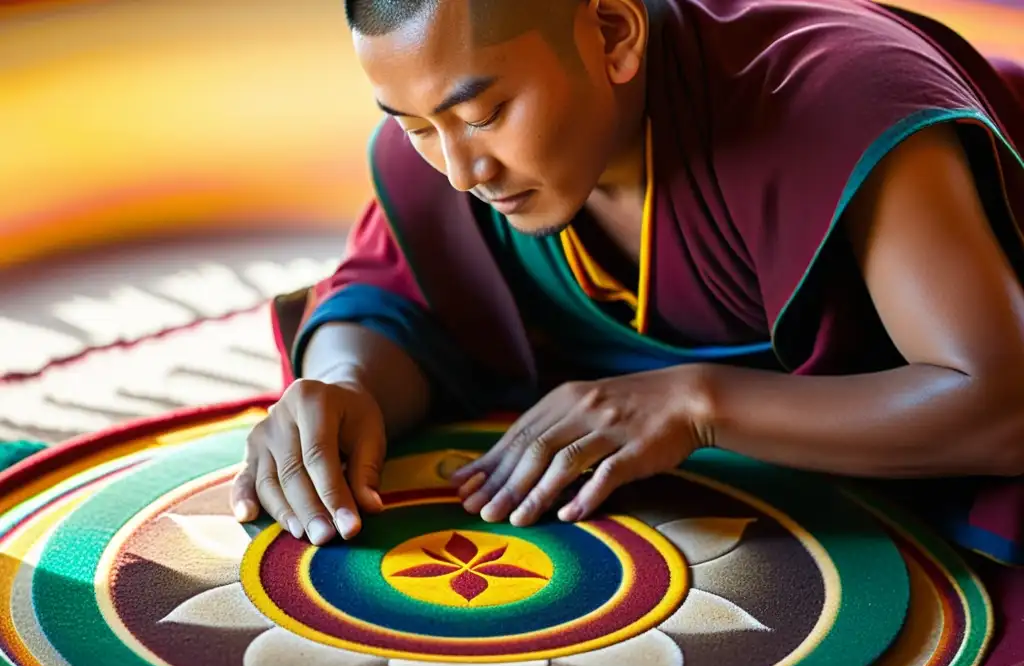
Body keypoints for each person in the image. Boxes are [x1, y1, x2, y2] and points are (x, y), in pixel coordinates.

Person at [231, 0, 1024, 565]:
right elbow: (393, 295)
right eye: (413, 125)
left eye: (484, 115)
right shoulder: (446, 148)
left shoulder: (837, 96)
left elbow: (1002, 406)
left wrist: (697, 405)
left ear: (612, 32)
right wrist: (342, 386)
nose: (462, 171)